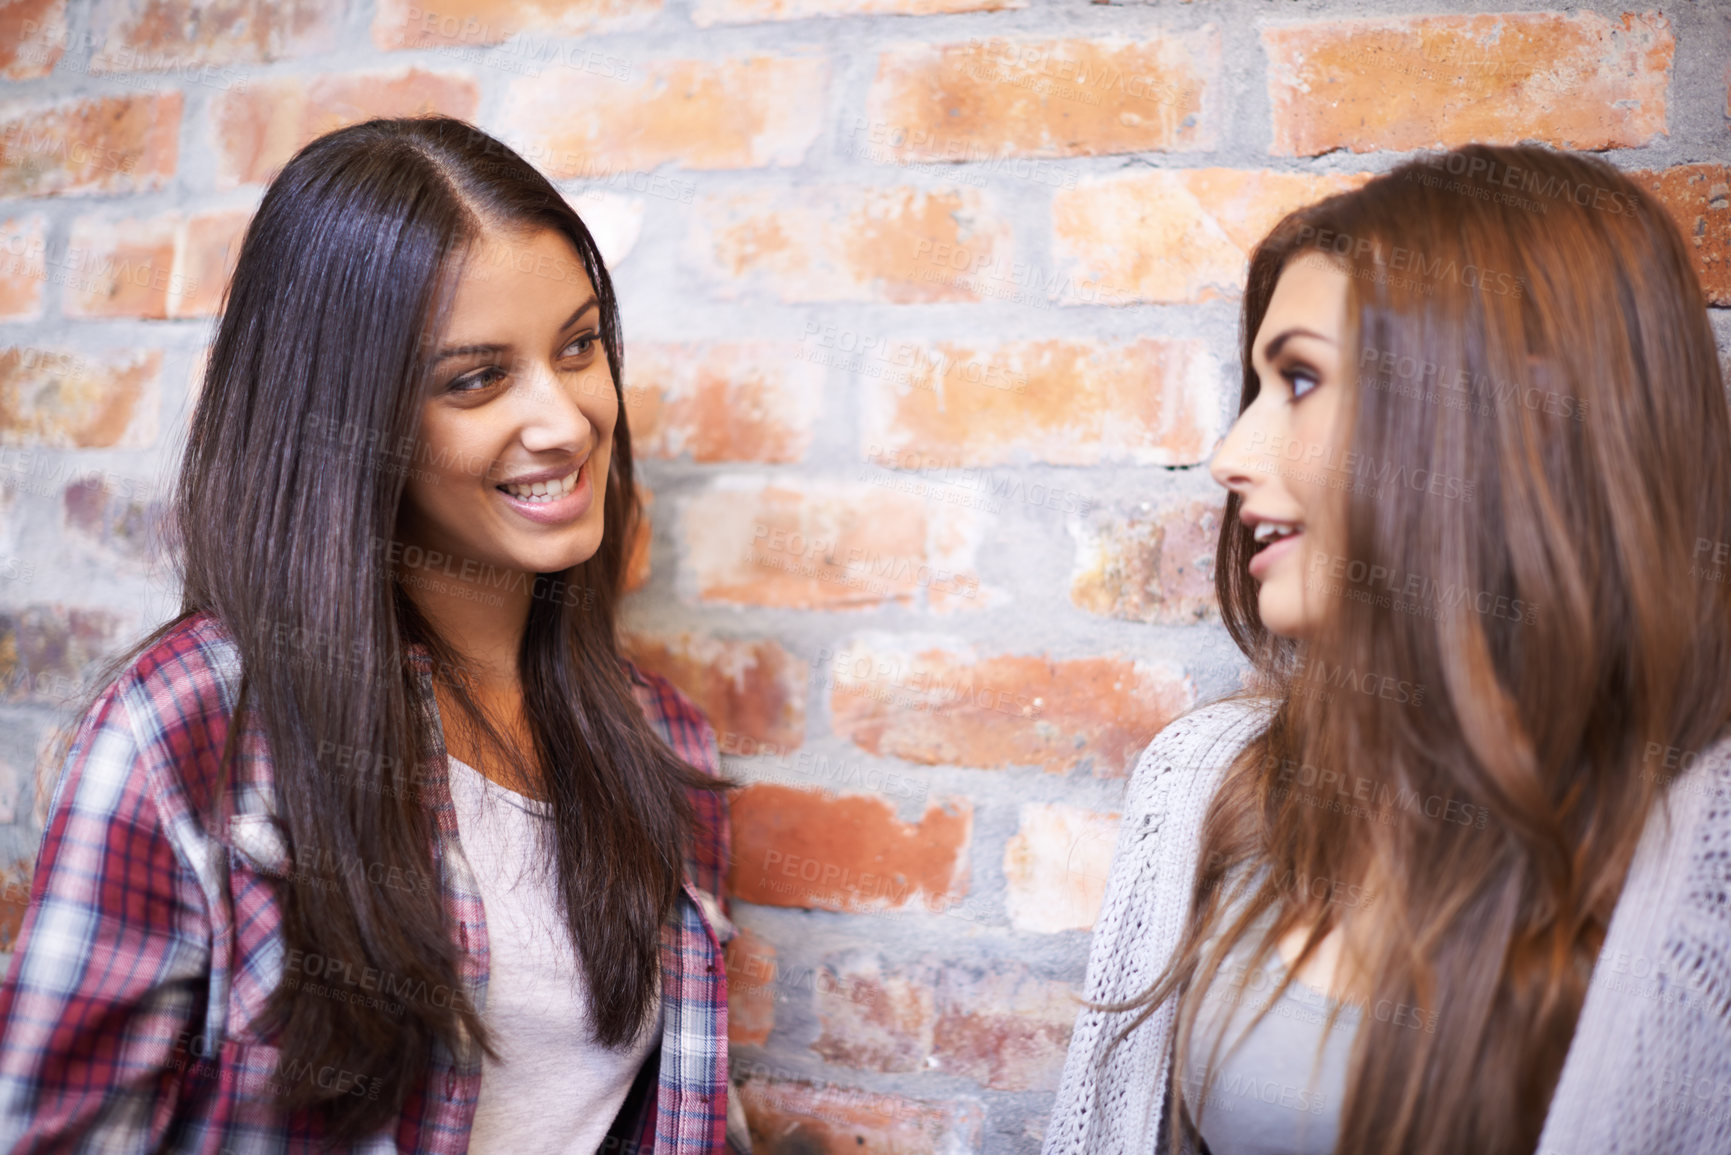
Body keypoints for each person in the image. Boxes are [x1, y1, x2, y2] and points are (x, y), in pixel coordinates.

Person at [0, 117, 746, 1154]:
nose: (568, 421)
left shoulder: (663, 742)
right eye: (476, 378)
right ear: (349, 417)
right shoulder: (188, 726)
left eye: (577, 346)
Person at [1044, 143, 1731, 1155]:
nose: (1230, 457)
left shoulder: (1701, 868)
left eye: (1302, 379)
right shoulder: (1212, 785)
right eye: (1257, 385)